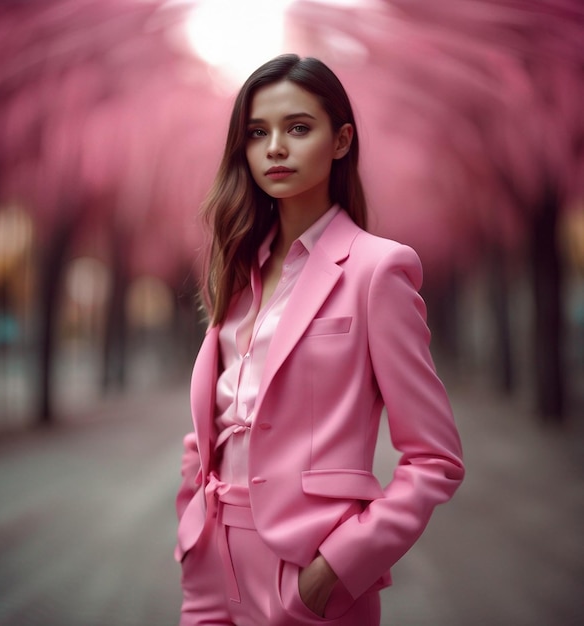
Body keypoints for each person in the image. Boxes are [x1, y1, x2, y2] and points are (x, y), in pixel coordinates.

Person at [175, 54, 464, 625]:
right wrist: (192, 528)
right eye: (258, 133)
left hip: (308, 570)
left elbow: (435, 457)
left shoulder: (378, 271)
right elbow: (213, 421)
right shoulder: (237, 273)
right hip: (212, 560)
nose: (275, 147)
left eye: (298, 128)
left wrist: (337, 568)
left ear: (341, 141)